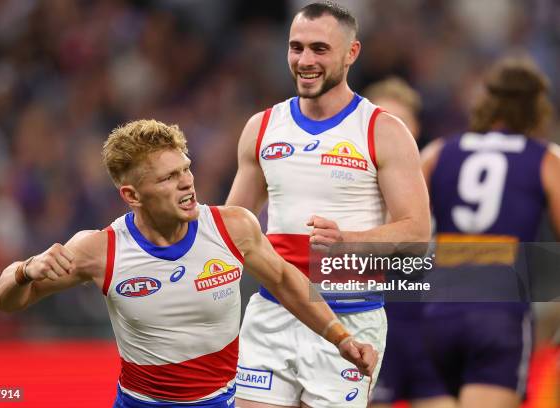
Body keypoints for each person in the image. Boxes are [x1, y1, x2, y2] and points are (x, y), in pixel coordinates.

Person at [0, 119, 379, 408]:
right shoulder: (100, 249)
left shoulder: (233, 227)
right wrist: (24, 272)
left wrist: (341, 339)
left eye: (186, 169)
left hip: (223, 401)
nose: (187, 183)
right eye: (168, 178)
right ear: (132, 194)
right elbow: (3, 301)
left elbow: (283, 279)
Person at [226, 3, 431, 407]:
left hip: (351, 316)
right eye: (296, 47)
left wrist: (348, 240)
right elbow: (234, 227)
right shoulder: (262, 127)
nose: (305, 60)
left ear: (351, 53)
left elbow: (417, 233)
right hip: (273, 314)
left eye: (319, 49)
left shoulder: (383, 130)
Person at [420, 56, 560, 408]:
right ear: (535, 109)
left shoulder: (439, 151)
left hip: (438, 310)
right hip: (498, 312)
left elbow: (402, 227)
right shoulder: (545, 158)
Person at [365, 78, 453, 408]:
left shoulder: (441, 179)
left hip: (429, 328)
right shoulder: (353, 191)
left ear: (414, 127)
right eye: (384, 120)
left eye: (400, 121)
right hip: (373, 322)